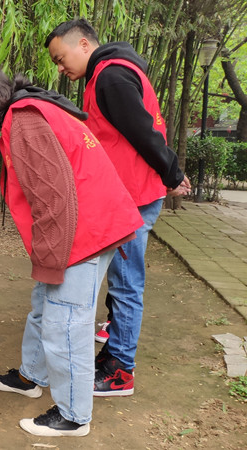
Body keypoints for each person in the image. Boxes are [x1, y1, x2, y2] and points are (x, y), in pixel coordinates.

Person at [0, 66, 143, 436]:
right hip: (87, 224)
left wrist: (52, 260)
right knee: (45, 306)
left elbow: (54, 199)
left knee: (66, 322)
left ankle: (74, 415)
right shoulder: (27, 111)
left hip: (83, 232)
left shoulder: (25, 121)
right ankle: (31, 376)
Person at [44, 19, 192, 396]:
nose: (61, 69)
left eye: (61, 59)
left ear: (83, 44)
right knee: (120, 282)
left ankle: (121, 370)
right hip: (126, 195)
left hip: (134, 197)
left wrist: (172, 174)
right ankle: (113, 354)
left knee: (126, 284)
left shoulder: (110, 76)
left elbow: (144, 131)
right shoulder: (106, 74)